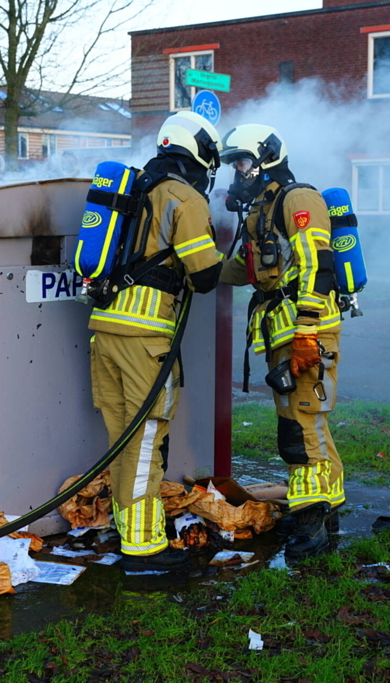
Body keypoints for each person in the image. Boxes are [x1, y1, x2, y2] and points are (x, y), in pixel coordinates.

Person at [89, 111, 224, 573]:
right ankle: (145, 551)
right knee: (145, 440)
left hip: (105, 329)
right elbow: (204, 276)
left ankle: (131, 533)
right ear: (199, 150)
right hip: (145, 338)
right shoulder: (182, 196)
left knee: (123, 440)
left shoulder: (137, 187)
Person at [217, 124, 345, 562]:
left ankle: (311, 526)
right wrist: (190, 267)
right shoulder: (263, 210)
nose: (238, 169)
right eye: (234, 162)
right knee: (306, 423)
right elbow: (243, 268)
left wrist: (307, 330)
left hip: (306, 331)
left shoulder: (298, 199)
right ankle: (328, 510)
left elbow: (317, 264)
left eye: (244, 160)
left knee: (301, 427)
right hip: (283, 330)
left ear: (268, 158)